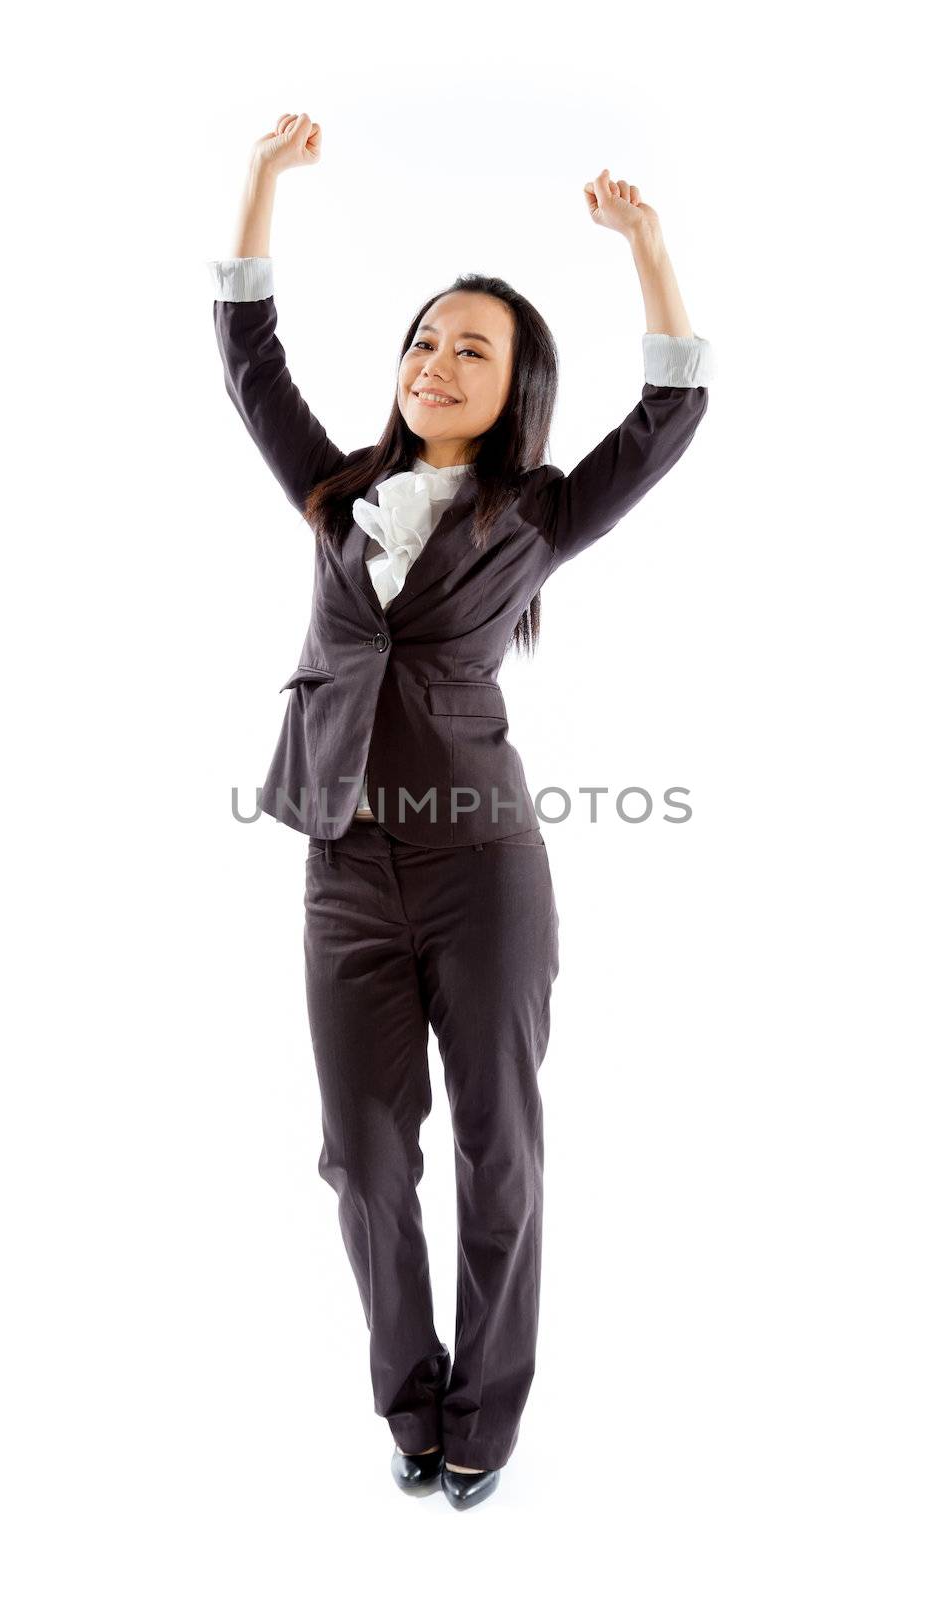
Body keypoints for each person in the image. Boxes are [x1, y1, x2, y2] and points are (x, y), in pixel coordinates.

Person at [207, 111, 713, 1511]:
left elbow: (672, 415)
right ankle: (408, 1398)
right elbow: (249, 361)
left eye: (471, 348)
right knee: (363, 1154)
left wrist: (651, 251)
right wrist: (259, 182)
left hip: (485, 868)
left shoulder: (538, 517)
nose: (436, 360)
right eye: (425, 338)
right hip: (340, 867)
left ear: (512, 393)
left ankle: (484, 1414)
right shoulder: (335, 501)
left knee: (501, 1145)